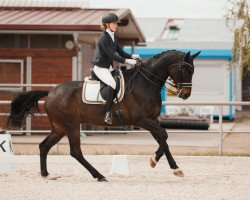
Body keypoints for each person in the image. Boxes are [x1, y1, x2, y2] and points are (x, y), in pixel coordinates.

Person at [91, 12, 140, 124]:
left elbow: (121, 52)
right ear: (107, 24)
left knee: (122, 79)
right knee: (112, 84)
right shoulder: (103, 38)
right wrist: (128, 61)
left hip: (109, 68)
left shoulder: (113, 37)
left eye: (116, 23)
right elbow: (112, 55)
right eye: (114, 23)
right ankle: (107, 112)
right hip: (101, 68)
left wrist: (133, 56)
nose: (117, 25)